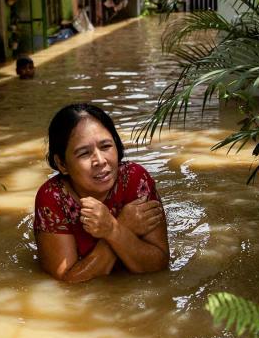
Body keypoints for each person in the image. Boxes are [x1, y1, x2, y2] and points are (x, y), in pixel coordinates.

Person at [33, 103, 169, 282]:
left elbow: (159, 265)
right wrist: (116, 228)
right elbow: (69, 283)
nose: (100, 160)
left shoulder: (136, 180)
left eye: (106, 146)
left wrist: (113, 229)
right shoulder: (52, 197)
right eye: (84, 153)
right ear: (62, 164)